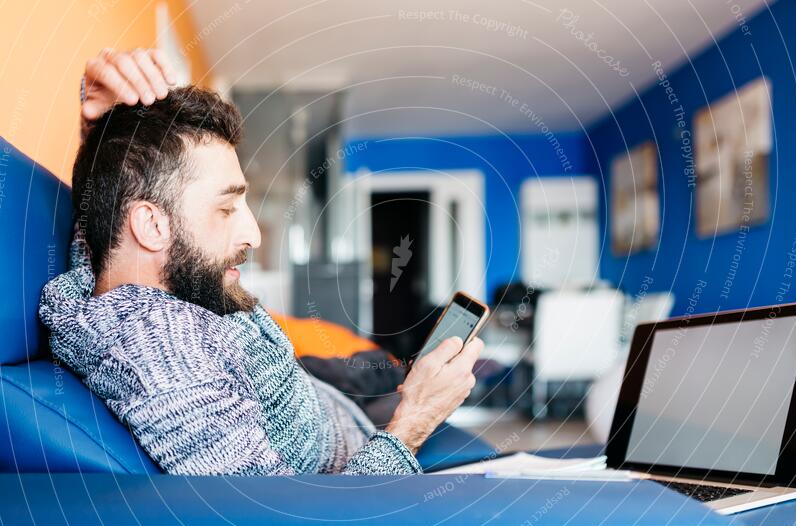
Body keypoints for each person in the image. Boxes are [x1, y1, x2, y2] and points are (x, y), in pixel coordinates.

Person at [39, 49, 483, 476]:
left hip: (323, 396)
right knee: (414, 382)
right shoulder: (163, 355)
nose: (253, 234)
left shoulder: (115, 266)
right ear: (151, 225)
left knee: (388, 370)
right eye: (227, 208)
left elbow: (106, 220)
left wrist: (97, 126)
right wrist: (415, 422)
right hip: (354, 437)